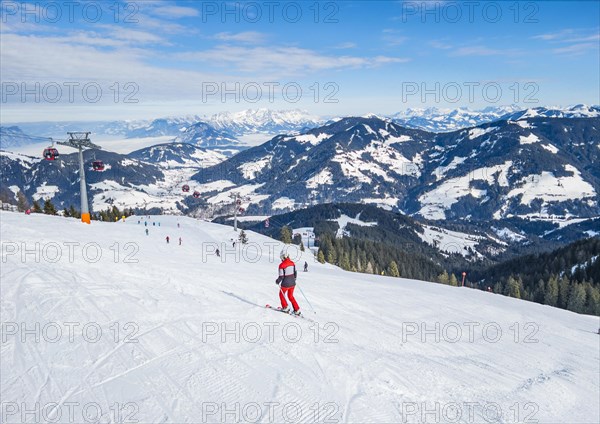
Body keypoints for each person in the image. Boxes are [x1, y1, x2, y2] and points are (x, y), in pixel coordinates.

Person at [276, 249, 300, 315]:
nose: (281, 259)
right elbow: (295, 272)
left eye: (281, 257)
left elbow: (281, 276)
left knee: (281, 294)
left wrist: (277, 281)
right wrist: (294, 278)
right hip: (293, 283)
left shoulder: (281, 265)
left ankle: (285, 307)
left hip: (285, 284)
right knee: (291, 296)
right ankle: (297, 309)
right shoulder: (292, 263)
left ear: (283, 256)